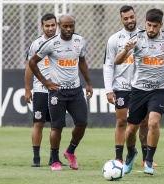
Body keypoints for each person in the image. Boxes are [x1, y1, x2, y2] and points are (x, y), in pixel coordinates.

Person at [115, 8, 164, 175]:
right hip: (138, 90)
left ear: (161, 25)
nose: (151, 29)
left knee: (153, 123)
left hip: (159, 90)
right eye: (149, 25)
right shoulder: (136, 39)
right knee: (130, 131)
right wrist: (125, 50)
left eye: (155, 26)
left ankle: (148, 160)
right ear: (145, 23)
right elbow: (117, 61)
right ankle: (131, 154)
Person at [28, 14, 93, 171]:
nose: (69, 29)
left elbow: (82, 61)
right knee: (57, 127)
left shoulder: (79, 41)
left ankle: (70, 151)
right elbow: (32, 62)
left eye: (71, 26)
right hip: (58, 92)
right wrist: (45, 82)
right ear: (59, 25)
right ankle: (55, 160)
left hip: (76, 91)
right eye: (65, 26)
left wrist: (88, 83)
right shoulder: (51, 43)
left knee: (82, 122)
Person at [103, 5, 157, 167]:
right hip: (122, 87)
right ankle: (119, 157)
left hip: (142, 87)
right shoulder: (114, 39)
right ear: (121, 19)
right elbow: (108, 66)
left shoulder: (145, 36)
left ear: (136, 17)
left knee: (144, 122)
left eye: (131, 17)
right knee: (122, 122)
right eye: (125, 18)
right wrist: (108, 90)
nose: (129, 21)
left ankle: (145, 158)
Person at [25, 13, 66, 167]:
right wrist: (27, 88)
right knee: (38, 123)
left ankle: (53, 158)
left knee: (56, 125)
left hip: (57, 91)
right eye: (47, 25)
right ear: (42, 26)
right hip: (41, 90)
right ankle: (36, 158)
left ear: (57, 25)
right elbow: (30, 66)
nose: (50, 28)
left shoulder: (63, 43)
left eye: (52, 25)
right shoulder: (36, 44)